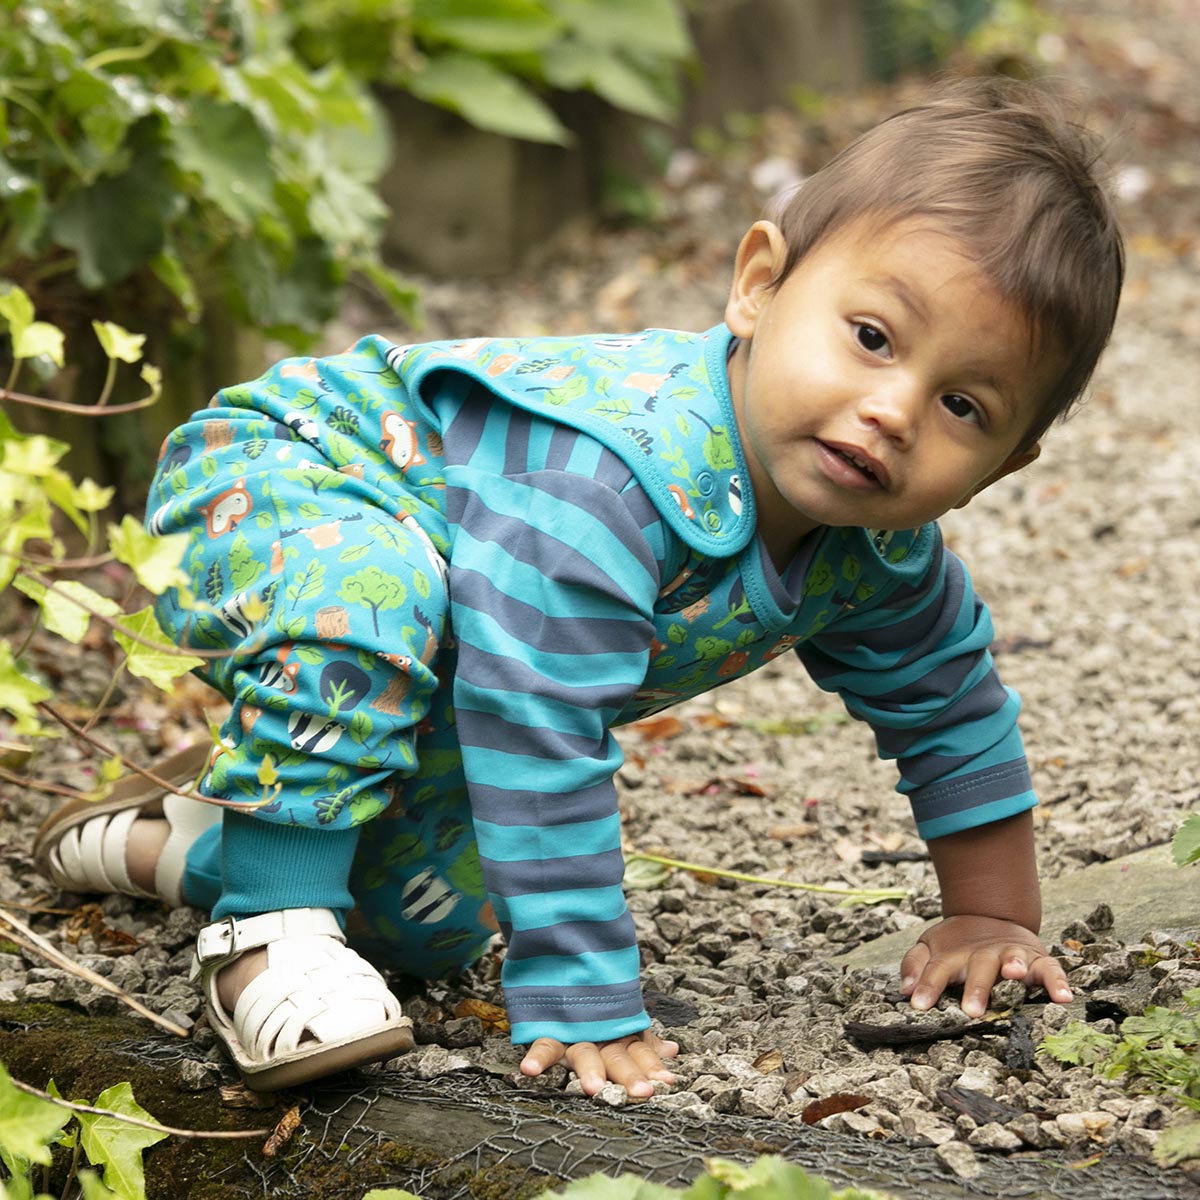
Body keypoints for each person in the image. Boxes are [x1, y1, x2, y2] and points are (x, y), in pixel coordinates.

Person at [33, 77, 1124, 1095]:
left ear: (1006, 464)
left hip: (463, 622)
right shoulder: (612, 476)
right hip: (293, 481)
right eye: (873, 337)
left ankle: (187, 831)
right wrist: (583, 993)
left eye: (966, 407)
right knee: (366, 609)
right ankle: (262, 931)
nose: (895, 408)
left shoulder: (880, 552)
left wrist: (991, 916)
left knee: (424, 928)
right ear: (759, 286)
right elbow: (535, 719)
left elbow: (952, 713)